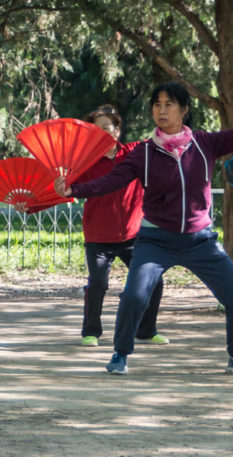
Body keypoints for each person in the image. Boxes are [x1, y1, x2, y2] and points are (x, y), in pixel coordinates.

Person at [55, 82, 233, 376]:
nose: (161, 110)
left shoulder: (205, 144)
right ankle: (120, 354)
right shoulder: (143, 153)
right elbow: (110, 181)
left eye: (169, 104)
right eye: (157, 105)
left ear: (184, 110)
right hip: (155, 240)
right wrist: (74, 188)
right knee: (135, 297)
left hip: (201, 240)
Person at [69, 105, 165, 348]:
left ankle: (145, 330)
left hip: (134, 236)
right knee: (98, 284)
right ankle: (91, 332)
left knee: (155, 280)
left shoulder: (134, 153)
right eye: (96, 130)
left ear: (117, 130)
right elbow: (63, 191)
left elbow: (160, 139)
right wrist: (30, 206)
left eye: (106, 128)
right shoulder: (86, 163)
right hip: (99, 237)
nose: (102, 133)